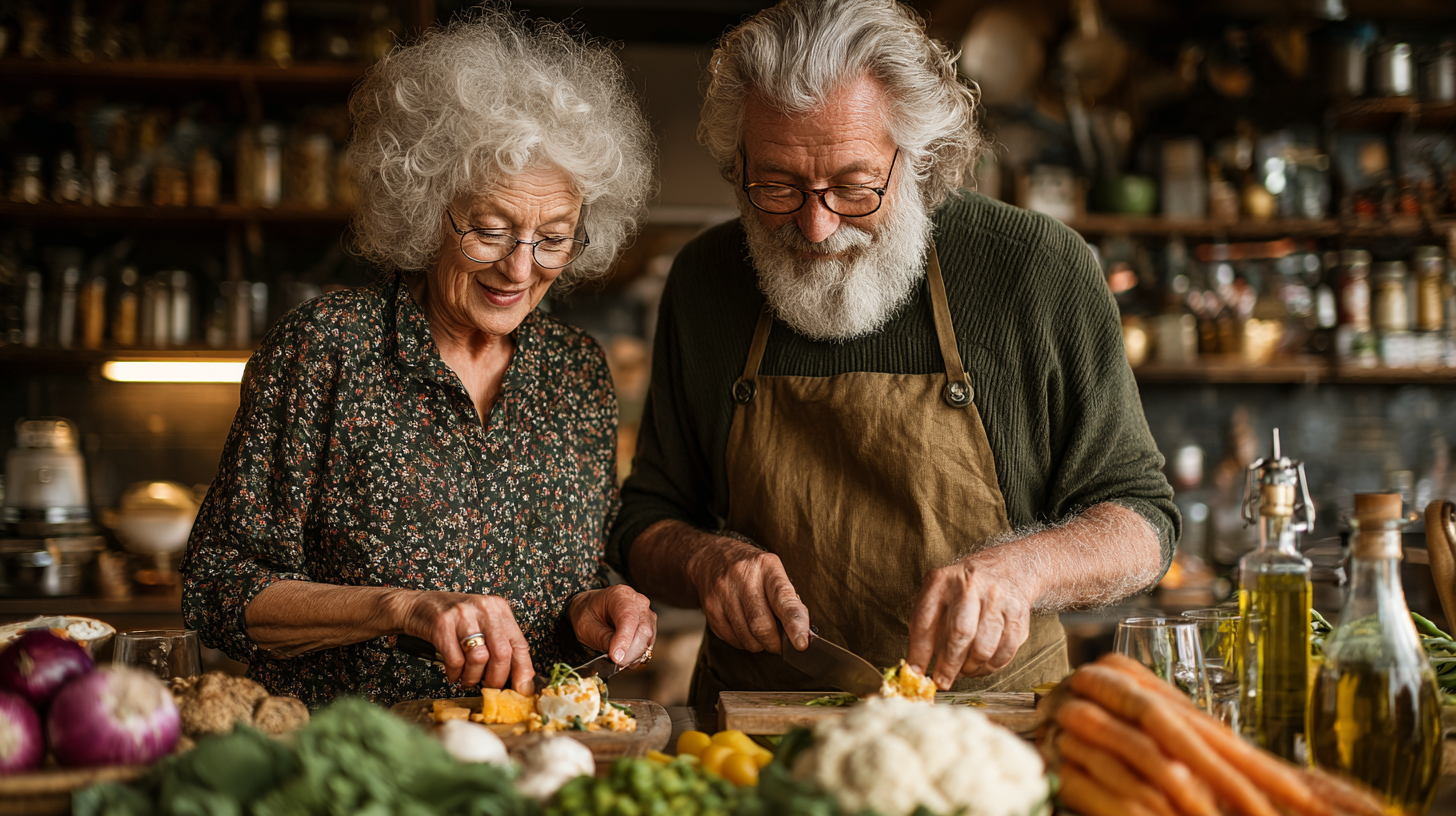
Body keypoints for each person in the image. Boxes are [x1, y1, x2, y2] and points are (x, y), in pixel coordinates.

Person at [609, 0, 1179, 705]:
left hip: (989, 730)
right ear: (739, 161)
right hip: (761, 730)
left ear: (917, 157)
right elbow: (644, 521)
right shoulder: (703, 280)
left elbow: (1142, 518)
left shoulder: (1036, 269)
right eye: (777, 186)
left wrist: (1023, 571)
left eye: (852, 186)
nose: (815, 227)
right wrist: (705, 561)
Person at [181, 8, 658, 708]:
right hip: (355, 763)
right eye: (491, 230)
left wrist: (593, 606)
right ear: (427, 206)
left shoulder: (576, 371)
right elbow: (217, 588)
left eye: (553, 237)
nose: (520, 269)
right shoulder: (326, 350)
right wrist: (401, 607)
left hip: (528, 761)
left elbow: (571, 576)